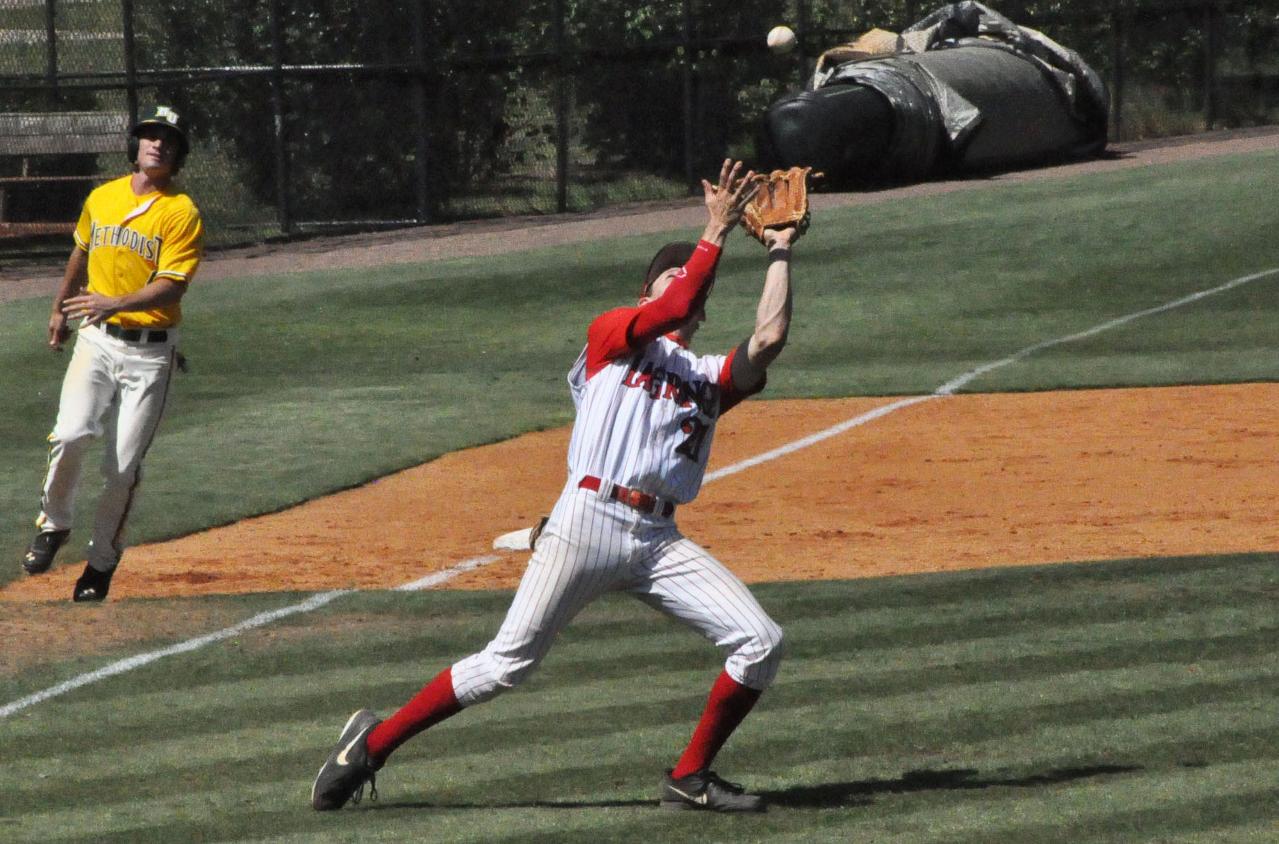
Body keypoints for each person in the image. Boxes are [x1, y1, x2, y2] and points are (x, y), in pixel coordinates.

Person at [312, 159, 799, 813]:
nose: (683, 289)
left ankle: (689, 777)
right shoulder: (610, 339)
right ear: (644, 290)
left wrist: (779, 252)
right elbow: (676, 301)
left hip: (657, 539)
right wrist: (710, 231)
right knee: (505, 666)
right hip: (587, 519)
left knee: (760, 641)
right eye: (668, 277)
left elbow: (768, 337)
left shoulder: (708, 374)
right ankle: (371, 748)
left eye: (692, 283)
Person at [20, 105, 204, 602]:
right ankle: (54, 524)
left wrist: (112, 301)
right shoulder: (102, 197)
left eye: (167, 139)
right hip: (97, 339)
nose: (157, 145)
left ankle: (100, 563)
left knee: (122, 469)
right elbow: (82, 248)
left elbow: (172, 287)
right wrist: (60, 308)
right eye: (149, 136)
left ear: (178, 152)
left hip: (150, 354)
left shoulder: (181, 212)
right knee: (71, 434)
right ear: (135, 144)